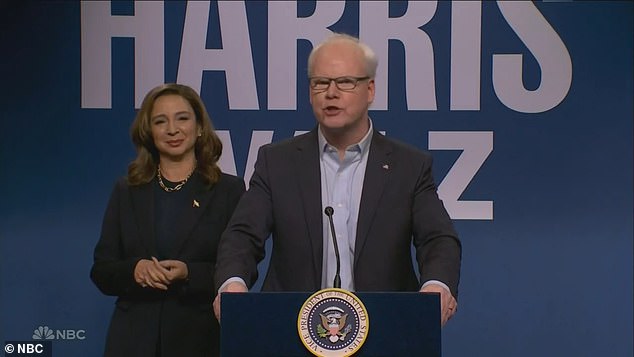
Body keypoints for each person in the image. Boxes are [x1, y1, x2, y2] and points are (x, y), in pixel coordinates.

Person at [213, 33, 461, 326]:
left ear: (370, 89)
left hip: (386, 327)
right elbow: (243, 235)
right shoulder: (277, 161)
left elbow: (438, 238)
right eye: (320, 83)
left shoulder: (409, 166)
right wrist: (232, 282)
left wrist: (436, 285)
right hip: (292, 329)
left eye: (345, 82)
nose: (331, 93)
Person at [90, 83, 245, 357]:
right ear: (149, 132)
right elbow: (101, 270)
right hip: (132, 341)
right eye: (161, 121)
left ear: (199, 128)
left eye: (182, 118)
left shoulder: (228, 191)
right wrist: (134, 270)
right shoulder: (127, 190)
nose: (172, 129)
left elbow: (235, 270)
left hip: (199, 339)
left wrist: (189, 273)